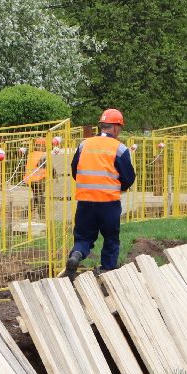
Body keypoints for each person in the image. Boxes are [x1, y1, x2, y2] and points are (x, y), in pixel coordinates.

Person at [65, 108, 136, 275]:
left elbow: (75, 170)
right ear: (116, 127)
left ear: (102, 126)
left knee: (83, 236)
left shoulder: (84, 145)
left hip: (85, 201)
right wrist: (120, 187)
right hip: (109, 202)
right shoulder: (119, 149)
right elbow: (128, 177)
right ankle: (107, 269)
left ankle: (76, 255)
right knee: (111, 238)